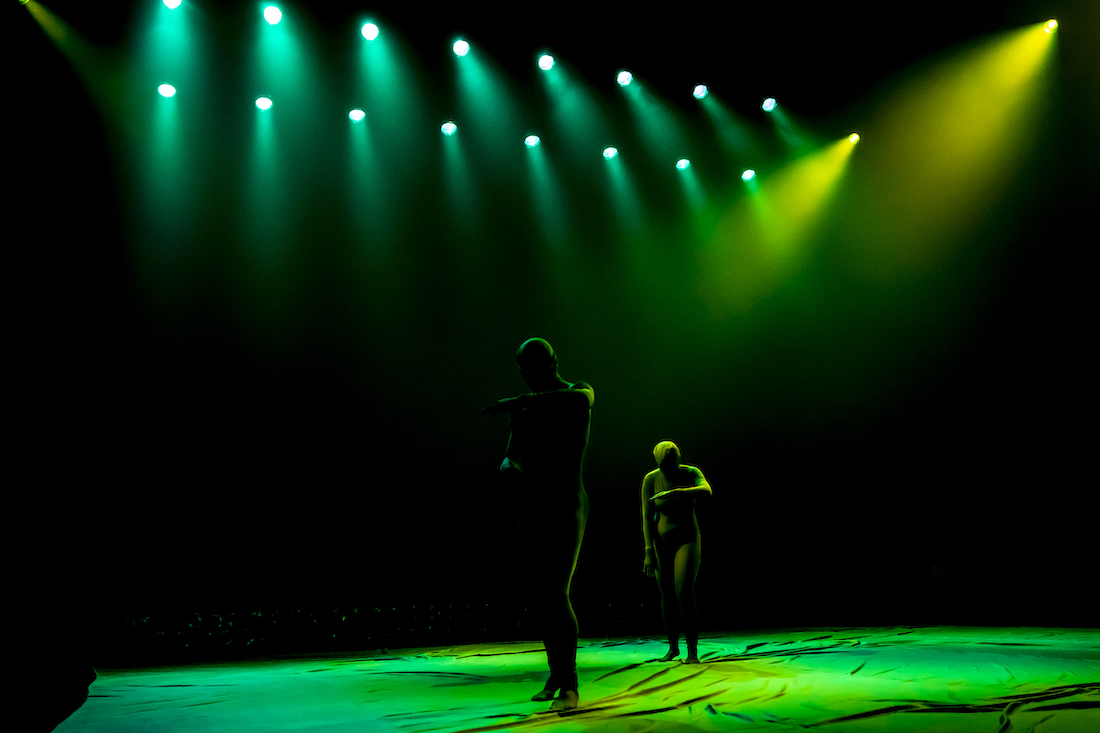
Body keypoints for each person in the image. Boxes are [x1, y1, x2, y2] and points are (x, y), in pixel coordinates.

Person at [483, 338, 593, 711]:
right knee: (541, 597)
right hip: (533, 505)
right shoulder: (526, 407)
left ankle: (570, 683)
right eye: (522, 371)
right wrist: (508, 471)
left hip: (566, 503)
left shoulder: (575, 393)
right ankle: (557, 673)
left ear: (550, 363)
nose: (525, 378)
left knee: (556, 591)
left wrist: (519, 401)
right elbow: (509, 455)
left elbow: (582, 400)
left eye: (530, 369)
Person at [640, 441, 711, 664]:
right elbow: (646, 516)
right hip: (661, 543)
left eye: (670, 464)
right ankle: (673, 648)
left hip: (687, 540)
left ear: (677, 460)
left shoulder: (690, 472)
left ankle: (692, 650)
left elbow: (707, 490)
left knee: (683, 593)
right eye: (663, 465)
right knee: (667, 595)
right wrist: (648, 550)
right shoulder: (651, 479)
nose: (666, 469)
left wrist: (677, 491)